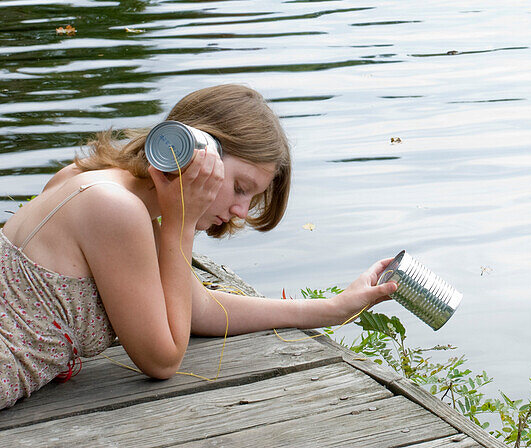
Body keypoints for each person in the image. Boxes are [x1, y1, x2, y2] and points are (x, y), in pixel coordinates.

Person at [0, 84, 397, 409]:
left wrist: (334, 308)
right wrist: (182, 225)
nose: (241, 209)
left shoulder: (106, 186)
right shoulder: (115, 209)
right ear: (194, 152)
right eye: (240, 188)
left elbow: (199, 308)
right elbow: (162, 358)